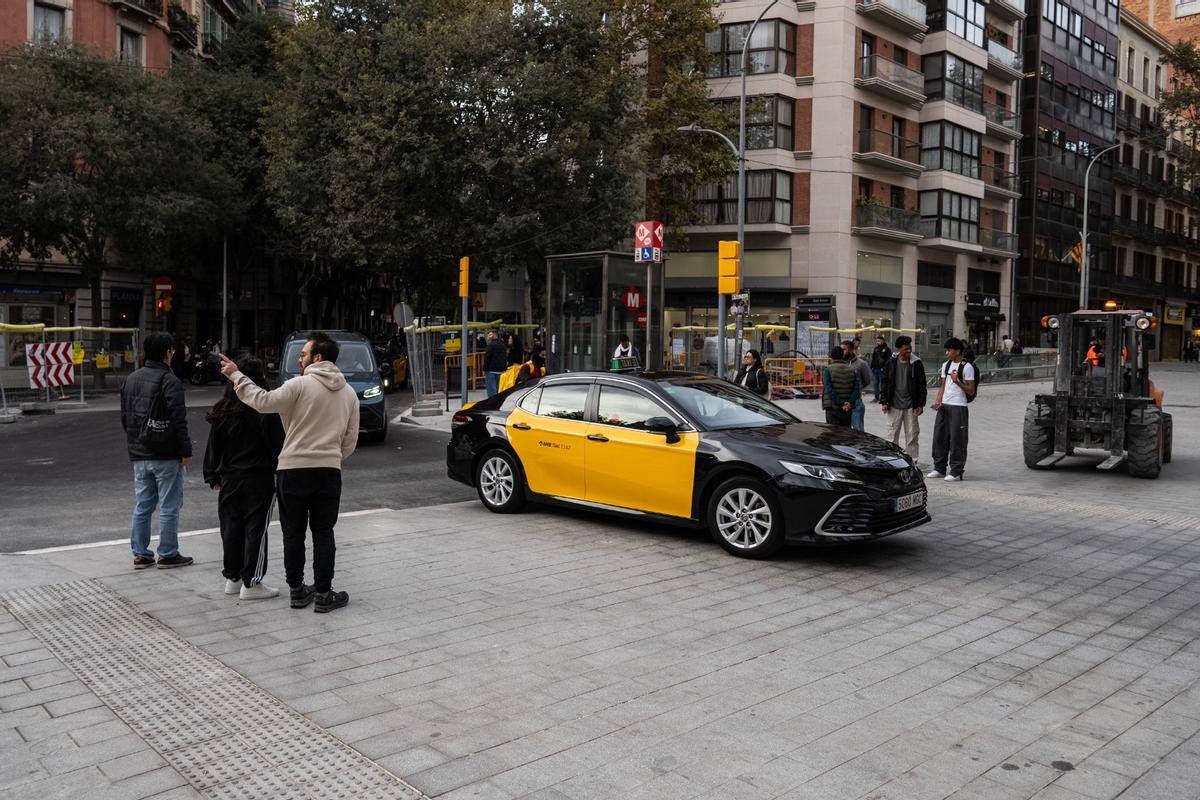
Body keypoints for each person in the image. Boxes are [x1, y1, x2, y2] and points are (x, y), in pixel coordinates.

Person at [218, 331, 359, 614]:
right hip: (328, 471)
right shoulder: (349, 393)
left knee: (293, 533)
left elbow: (262, 401)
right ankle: (323, 593)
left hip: (292, 470)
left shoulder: (297, 385)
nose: (300, 358)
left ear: (317, 357)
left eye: (303, 354)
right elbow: (350, 440)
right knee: (323, 532)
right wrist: (330, 456)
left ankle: (297, 591)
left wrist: (236, 375)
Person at [203, 356, 285, 600]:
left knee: (231, 526)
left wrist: (212, 475)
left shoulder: (223, 409)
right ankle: (252, 582)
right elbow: (277, 445)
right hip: (259, 477)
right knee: (256, 530)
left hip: (229, 478)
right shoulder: (266, 409)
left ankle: (233, 577)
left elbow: (212, 447)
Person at [120, 332, 194, 570]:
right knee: (170, 504)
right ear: (166, 353)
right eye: (171, 350)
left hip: (139, 453)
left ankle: (140, 554)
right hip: (165, 454)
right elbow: (178, 420)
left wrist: (135, 442)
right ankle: (168, 553)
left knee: (143, 504)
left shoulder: (131, 379)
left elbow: (125, 417)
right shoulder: (170, 380)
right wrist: (185, 450)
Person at [929, 337, 976, 482]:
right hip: (944, 406)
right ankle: (939, 468)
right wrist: (938, 400)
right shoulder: (946, 365)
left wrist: (958, 381)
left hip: (959, 407)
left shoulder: (967, 367)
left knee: (957, 439)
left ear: (957, 351)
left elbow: (971, 390)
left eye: (949, 350)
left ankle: (956, 471)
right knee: (939, 437)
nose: (947, 353)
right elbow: (943, 385)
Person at [880, 335, 926, 461]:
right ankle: (892, 459)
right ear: (899, 349)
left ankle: (913, 460)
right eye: (906, 349)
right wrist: (884, 401)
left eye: (910, 348)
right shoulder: (891, 362)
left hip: (911, 405)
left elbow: (922, 385)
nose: (909, 351)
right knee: (892, 435)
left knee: (912, 435)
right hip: (894, 405)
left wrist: (920, 404)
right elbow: (884, 382)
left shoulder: (916, 363)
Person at [821, 347, 859, 427]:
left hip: (832, 407)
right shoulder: (851, 369)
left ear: (831, 356)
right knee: (845, 434)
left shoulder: (828, 370)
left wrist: (841, 403)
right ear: (842, 356)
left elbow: (829, 389)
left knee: (833, 434)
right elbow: (856, 389)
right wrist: (849, 403)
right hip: (847, 408)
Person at [842, 340, 872, 431]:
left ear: (850, 350)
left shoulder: (861, 364)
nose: (842, 351)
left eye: (844, 349)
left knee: (858, 431)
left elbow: (867, 380)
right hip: (841, 403)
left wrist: (858, 388)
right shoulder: (839, 363)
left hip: (856, 402)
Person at [483, 331, 507, 397]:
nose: (488, 336)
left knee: (492, 390)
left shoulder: (490, 345)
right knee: (498, 389)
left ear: (494, 335)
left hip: (491, 370)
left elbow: (487, 358)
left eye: (490, 335)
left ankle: (492, 404)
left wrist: (484, 369)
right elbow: (504, 358)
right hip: (500, 371)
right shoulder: (503, 345)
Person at [869, 336, 892, 403]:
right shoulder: (876, 349)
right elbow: (873, 358)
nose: (877, 342)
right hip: (875, 369)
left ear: (883, 341)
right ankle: (876, 397)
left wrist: (884, 368)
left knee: (882, 385)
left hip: (882, 370)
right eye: (877, 341)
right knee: (875, 384)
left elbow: (888, 360)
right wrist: (872, 367)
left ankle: (883, 398)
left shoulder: (887, 349)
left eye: (879, 341)